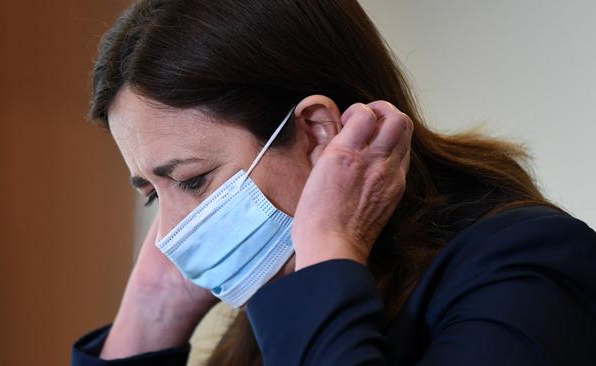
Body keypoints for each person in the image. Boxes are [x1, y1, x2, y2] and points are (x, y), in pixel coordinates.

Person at [71, 0, 596, 365]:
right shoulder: (275, 290)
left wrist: (327, 247)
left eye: (192, 179)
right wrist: (152, 306)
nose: (172, 233)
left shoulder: (527, 263)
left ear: (318, 131)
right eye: (149, 193)